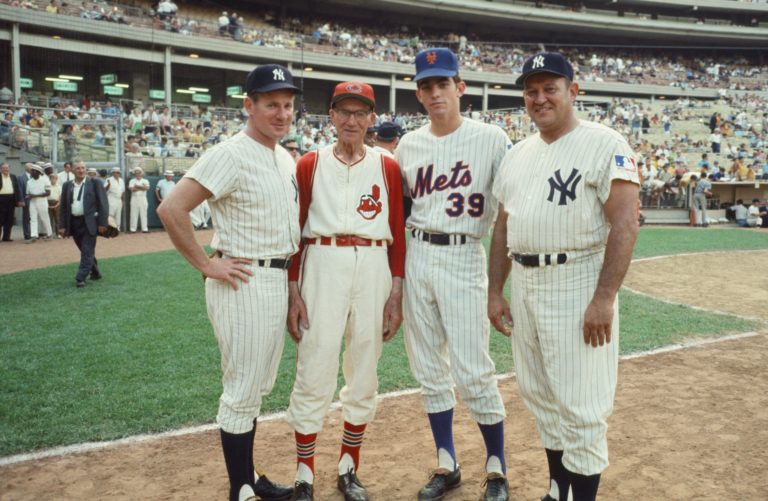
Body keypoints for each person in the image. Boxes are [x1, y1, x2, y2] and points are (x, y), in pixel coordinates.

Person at [488, 52, 640, 501]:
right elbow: (503, 227)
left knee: (582, 408)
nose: (540, 98)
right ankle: (559, 490)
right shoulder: (517, 155)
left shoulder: (604, 141)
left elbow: (626, 222)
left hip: (577, 278)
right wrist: (496, 290)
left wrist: (604, 298)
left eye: (550, 88)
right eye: (531, 91)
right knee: (542, 399)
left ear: (573, 92)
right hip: (528, 282)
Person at [156, 63, 301, 501]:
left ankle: (248, 475)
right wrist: (207, 264)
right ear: (249, 105)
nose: (281, 113)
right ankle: (240, 488)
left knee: (257, 385)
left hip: (274, 277)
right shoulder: (230, 152)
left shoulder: (282, 154)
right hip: (243, 277)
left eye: (288, 105)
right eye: (271, 104)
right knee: (241, 388)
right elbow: (172, 208)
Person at [395, 47, 511, 501]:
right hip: (418, 253)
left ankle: (497, 468)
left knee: (473, 369)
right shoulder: (409, 144)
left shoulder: (491, 138)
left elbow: (506, 213)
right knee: (428, 368)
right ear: (419, 95)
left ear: (460, 88)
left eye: (443, 83)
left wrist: (499, 284)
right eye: (426, 86)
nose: (435, 92)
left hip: (465, 254)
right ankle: (447, 463)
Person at [284, 81, 406, 501]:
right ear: (331, 116)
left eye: (361, 113)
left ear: (372, 119)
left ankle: (348, 467)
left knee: (364, 366)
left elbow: (397, 233)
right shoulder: (309, 163)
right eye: (344, 112)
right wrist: (293, 290)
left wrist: (396, 292)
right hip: (322, 259)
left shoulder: (387, 164)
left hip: (373, 261)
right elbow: (295, 233)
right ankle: (304, 474)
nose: (352, 120)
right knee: (314, 362)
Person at [58, 159, 109, 287]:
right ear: (72, 170)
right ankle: (95, 272)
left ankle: (80, 277)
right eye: (78, 168)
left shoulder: (95, 183)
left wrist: (103, 223)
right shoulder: (67, 185)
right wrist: (62, 226)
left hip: (90, 223)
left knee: (86, 250)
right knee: (85, 250)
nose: (81, 170)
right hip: (74, 223)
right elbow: (63, 207)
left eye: (83, 168)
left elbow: (103, 204)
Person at [25, 163, 52, 242]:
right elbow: (28, 193)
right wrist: (29, 196)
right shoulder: (29, 182)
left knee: (45, 218)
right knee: (33, 218)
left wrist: (34, 195)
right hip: (32, 202)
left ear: (38, 172)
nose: (31, 173)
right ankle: (34, 236)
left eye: (33, 171)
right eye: (31, 171)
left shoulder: (45, 179)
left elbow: (48, 193)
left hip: (42, 202)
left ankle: (49, 234)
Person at [0, 161, 24, 241]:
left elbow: (17, 189)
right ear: (1, 169)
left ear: (9, 169)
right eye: (4, 168)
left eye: (7, 168)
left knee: (9, 219)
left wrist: (19, 200)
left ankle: (6, 237)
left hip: (11, 199)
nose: (6, 169)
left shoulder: (13, 176)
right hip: (1, 199)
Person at [128, 166, 149, 233]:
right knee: (133, 214)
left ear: (141, 173)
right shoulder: (132, 181)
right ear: (134, 174)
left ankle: (145, 229)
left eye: (139, 172)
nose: (137, 174)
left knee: (144, 214)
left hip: (143, 198)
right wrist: (142, 187)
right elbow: (132, 190)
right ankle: (133, 229)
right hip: (134, 198)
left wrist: (137, 186)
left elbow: (147, 188)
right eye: (136, 173)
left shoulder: (145, 180)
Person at [47, 172, 61, 237]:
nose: (53, 180)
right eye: (52, 178)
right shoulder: (47, 186)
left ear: (57, 179)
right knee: (49, 219)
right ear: (50, 179)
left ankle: (58, 233)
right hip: (48, 203)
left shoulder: (59, 187)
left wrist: (57, 205)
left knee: (57, 219)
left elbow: (60, 197)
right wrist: (47, 205)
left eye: (55, 178)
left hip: (57, 203)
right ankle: (50, 234)